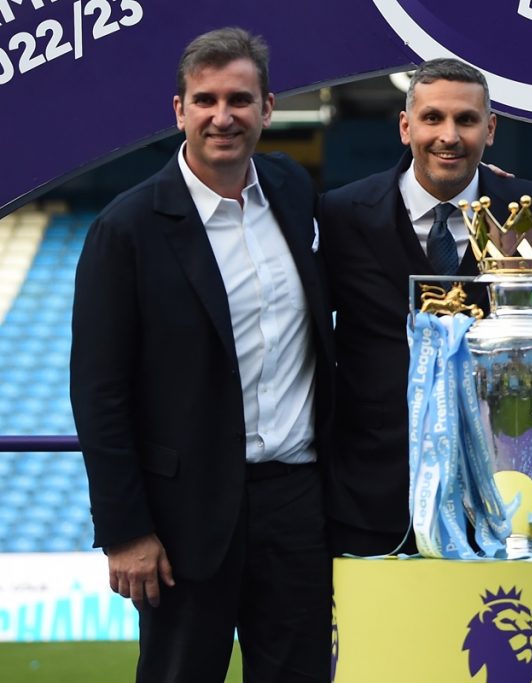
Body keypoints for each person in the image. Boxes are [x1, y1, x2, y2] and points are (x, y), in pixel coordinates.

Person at [70, 27, 334, 682]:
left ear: (268, 108)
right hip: (184, 518)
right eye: (206, 99)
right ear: (179, 110)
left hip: (296, 502)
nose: (224, 116)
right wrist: (125, 531)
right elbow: (99, 392)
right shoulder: (125, 229)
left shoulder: (291, 189)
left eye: (240, 99)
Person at [317, 58, 532, 556]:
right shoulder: (341, 213)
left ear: (489, 130)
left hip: (502, 498)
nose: (448, 135)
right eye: (432, 118)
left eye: (466, 120)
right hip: (372, 497)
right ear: (406, 127)